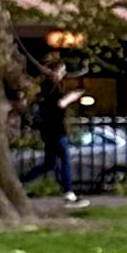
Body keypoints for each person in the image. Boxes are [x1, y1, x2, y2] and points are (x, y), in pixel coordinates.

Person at [21, 56, 88, 208]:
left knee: (49, 164)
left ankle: (20, 181)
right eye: (61, 70)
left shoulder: (48, 87)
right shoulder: (52, 87)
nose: (63, 73)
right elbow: (59, 105)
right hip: (56, 130)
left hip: (49, 131)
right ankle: (69, 193)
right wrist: (71, 97)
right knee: (64, 161)